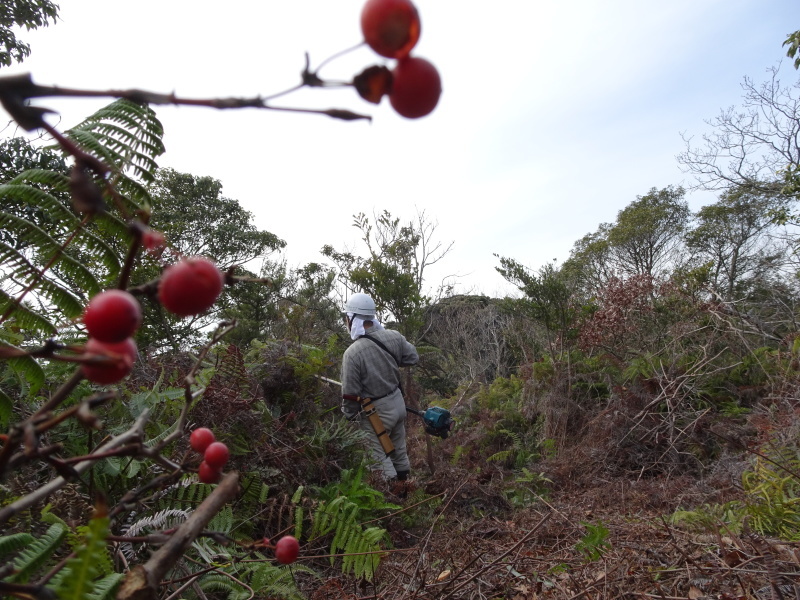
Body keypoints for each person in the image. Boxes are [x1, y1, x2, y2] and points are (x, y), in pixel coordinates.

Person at [340, 293, 419, 484]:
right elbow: (412, 358)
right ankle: (406, 486)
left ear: (352, 319)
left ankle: (391, 494)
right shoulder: (394, 337)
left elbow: (350, 393)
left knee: (377, 458)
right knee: (398, 449)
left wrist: (349, 416)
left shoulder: (352, 353)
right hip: (398, 404)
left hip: (377, 413)